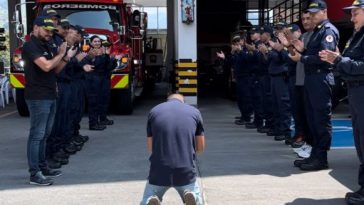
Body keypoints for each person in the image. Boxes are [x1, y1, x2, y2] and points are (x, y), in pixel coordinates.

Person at [22, 16, 77, 185]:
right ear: (36, 27)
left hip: (50, 94)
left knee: (45, 134)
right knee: (37, 135)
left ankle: (43, 167)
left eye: (51, 31)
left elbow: (56, 69)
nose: (49, 34)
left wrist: (66, 57)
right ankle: (34, 173)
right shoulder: (30, 45)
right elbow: (45, 66)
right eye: (46, 30)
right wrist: (60, 53)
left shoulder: (45, 44)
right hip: (38, 96)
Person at [319, 0, 364, 203]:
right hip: (355, 93)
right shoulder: (357, 36)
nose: (352, 17)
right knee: (360, 143)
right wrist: (337, 61)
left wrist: (338, 60)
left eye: (356, 13)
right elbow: (345, 66)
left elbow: (358, 65)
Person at [289, 0, 339, 171]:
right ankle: (315, 154)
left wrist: (302, 58)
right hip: (312, 78)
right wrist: (302, 50)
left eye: (314, 12)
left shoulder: (328, 31)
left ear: (324, 12)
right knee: (311, 119)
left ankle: (321, 158)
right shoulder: (318, 32)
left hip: (320, 78)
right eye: (310, 13)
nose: (311, 15)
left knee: (320, 119)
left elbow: (324, 58)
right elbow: (314, 54)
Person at [140, 94, 205, 205]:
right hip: (185, 170)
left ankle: (151, 199)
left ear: (167, 101)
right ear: (183, 102)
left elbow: (151, 147)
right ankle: (191, 195)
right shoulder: (194, 112)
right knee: (195, 196)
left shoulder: (154, 111)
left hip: (159, 170)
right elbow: (200, 148)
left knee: (149, 197)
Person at [217, 34, 253, 126]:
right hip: (239, 77)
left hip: (246, 77)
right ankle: (243, 115)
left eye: (238, 41)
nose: (237, 44)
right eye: (235, 42)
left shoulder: (247, 50)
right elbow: (231, 63)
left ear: (243, 41)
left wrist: (240, 51)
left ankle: (247, 117)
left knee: (246, 98)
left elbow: (247, 60)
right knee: (240, 98)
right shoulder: (236, 53)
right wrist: (225, 57)